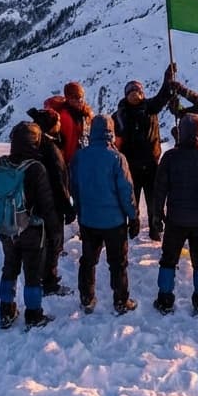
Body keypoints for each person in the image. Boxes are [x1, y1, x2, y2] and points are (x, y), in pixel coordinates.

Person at [0, 121, 64, 330]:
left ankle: (6, 310)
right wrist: (55, 232)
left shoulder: (0, 164)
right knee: (32, 272)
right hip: (32, 228)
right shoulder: (36, 168)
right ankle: (33, 314)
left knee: (9, 268)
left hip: (6, 228)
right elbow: (47, 205)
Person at [70, 113, 140, 315]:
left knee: (88, 260)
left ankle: (87, 298)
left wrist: (80, 212)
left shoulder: (80, 157)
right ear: (111, 132)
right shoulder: (117, 158)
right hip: (114, 222)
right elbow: (126, 191)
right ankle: (120, 300)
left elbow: (74, 187)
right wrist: (133, 216)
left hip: (89, 220)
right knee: (118, 263)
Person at [152, 113, 198, 315]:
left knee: (168, 260)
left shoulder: (170, 157)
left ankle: (165, 299)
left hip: (175, 218)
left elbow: (160, 189)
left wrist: (157, 215)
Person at [113, 65, 176, 241]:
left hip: (150, 163)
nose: (135, 94)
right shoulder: (119, 114)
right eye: (131, 91)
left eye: (137, 91)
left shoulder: (150, 107)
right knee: (131, 198)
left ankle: (155, 227)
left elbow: (164, 96)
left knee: (153, 200)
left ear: (142, 93)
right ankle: (133, 226)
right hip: (130, 165)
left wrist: (168, 79)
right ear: (126, 95)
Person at [25, 105, 77, 295]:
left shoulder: (35, 145)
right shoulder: (50, 149)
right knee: (53, 242)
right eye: (58, 122)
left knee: (42, 242)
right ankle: (49, 281)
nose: (61, 124)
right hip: (51, 204)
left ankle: (41, 277)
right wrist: (68, 207)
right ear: (51, 126)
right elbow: (58, 181)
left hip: (35, 203)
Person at [43, 81, 94, 166]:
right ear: (68, 99)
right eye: (76, 97)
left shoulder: (84, 113)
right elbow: (68, 144)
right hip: (71, 162)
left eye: (81, 97)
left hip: (80, 158)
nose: (80, 100)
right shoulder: (65, 117)